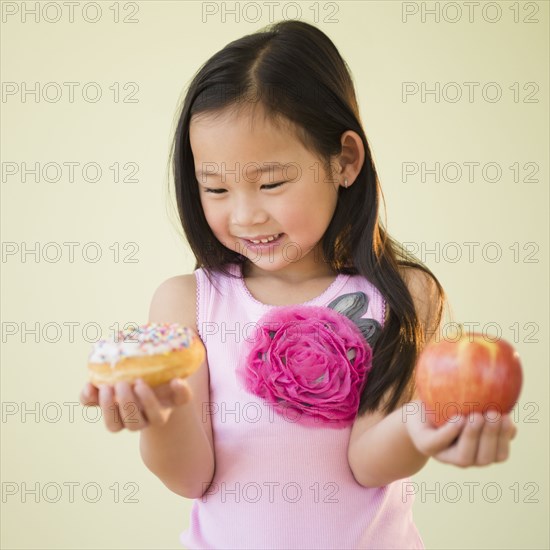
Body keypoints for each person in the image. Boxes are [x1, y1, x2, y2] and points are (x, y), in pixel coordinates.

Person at [80, 19, 517, 549]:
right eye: (214, 188)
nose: (244, 215)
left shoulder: (403, 295)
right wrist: (159, 415)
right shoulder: (188, 301)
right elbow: (190, 477)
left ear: (345, 160)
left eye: (271, 183)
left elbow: (367, 464)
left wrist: (421, 424)